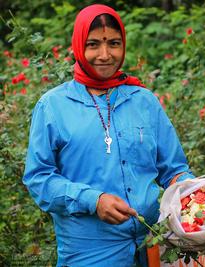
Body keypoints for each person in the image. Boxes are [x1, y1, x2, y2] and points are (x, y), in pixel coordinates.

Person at [23, 4, 194, 267]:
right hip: (89, 255)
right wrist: (93, 200)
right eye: (93, 44)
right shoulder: (53, 106)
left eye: (114, 43)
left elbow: (173, 168)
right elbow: (38, 178)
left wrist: (197, 194)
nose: (105, 55)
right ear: (79, 46)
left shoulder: (143, 101)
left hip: (153, 247)